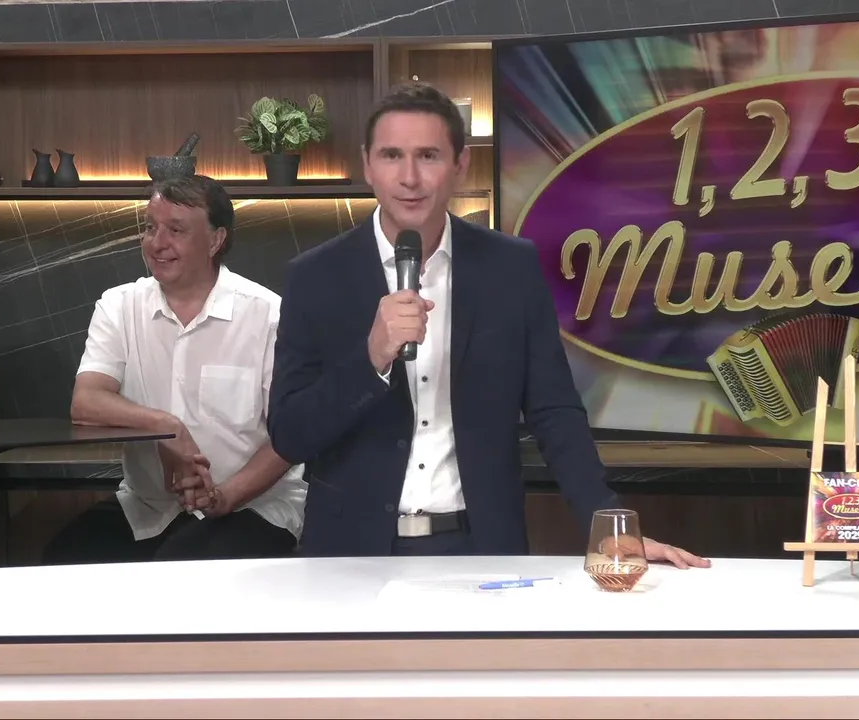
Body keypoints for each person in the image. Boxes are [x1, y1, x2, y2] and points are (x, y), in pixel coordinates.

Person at [268, 83, 710, 566]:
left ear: (460, 165)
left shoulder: (509, 267)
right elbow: (290, 434)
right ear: (368, 164)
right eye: (392, 155)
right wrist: (371, 359)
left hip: (479, 547)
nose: (409, 177)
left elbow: (554, 410)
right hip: (349, 554)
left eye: (429, 156)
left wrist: (609, 526)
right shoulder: (315, 276)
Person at [46, 175, 305, 565]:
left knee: (180, 566)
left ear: (216, 240)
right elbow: (86, 401)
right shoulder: (119, 306)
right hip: (151, 507)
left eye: (176, 230)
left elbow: (289, 439)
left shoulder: (268, 316)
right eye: (150, 227)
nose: (157, 242)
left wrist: (224, 496)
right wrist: (167, 427)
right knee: (63, 558)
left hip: (252, 505)